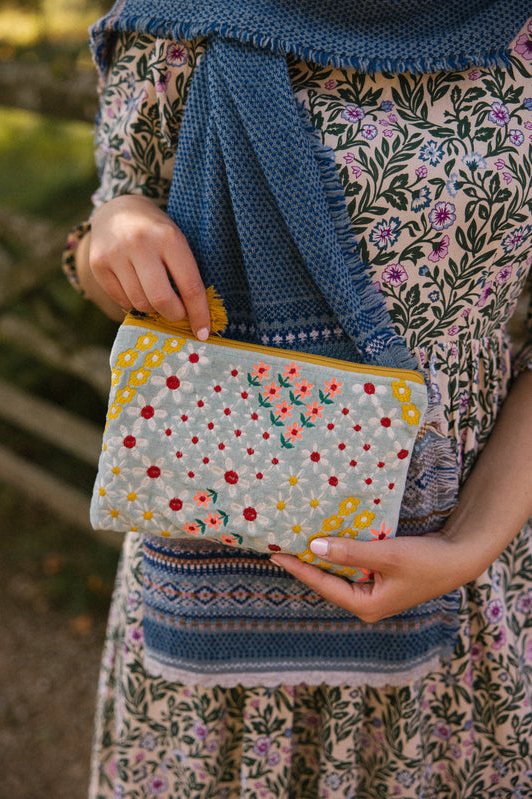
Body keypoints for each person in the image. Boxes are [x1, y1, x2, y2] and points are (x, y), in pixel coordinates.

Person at [64, 2, 532, 796]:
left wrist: (467, 546)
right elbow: (109, 250)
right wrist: (114, 228)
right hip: (209, 594)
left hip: (464, 592)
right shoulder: (183, 20)